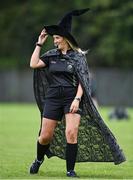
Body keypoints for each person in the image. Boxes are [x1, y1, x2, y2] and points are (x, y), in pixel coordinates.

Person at [29, 8, 126, 178]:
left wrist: (77, 99)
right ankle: (38, 160)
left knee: (71, 134)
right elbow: (33, 64)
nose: (55, 41)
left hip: (72, 98)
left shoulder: (78, 57)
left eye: (57, 38)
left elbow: (83, 80)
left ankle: (70, 170)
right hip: (53, 98)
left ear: (66, 39)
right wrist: (39, 43)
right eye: (54, 38)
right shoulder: (51, 55)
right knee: (45, 137)